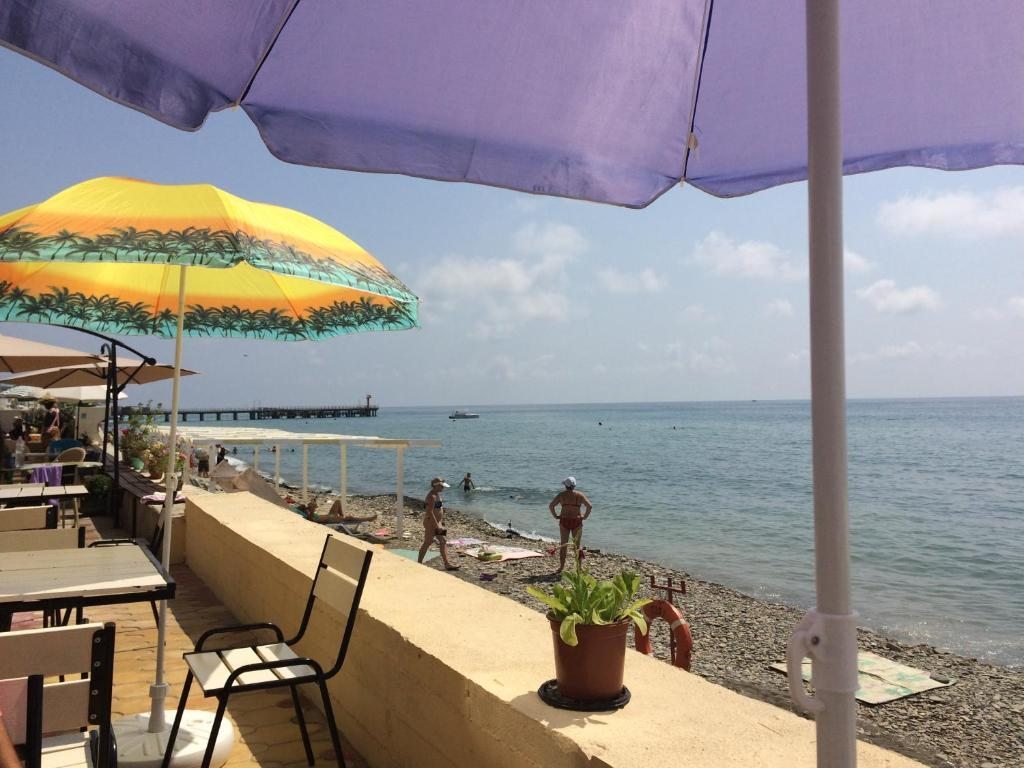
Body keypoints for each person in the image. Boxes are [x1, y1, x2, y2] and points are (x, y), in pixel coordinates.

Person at [549, 476, 592, 574]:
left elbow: (551, 506)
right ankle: (579, 568)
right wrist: (584, 517)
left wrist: (555, 516)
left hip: (564, 520)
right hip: (576, 521)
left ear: (565, 485)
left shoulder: (561, 495)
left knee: (563, 545)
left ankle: (561, 567)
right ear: (574, 485)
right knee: (577, 546)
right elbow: (589, 506)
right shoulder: (579, 495)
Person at [418, 477, 459, 570]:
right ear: (436, 486)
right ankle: (419, 563)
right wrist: (437, 526)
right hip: (431, 523)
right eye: (441, 486)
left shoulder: (437, 495)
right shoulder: (431, 496)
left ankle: (447, 564)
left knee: (443, 541)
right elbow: (429, 512)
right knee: (427, 542)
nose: (443, 488)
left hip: (437, 522)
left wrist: (441, 522)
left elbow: (438, 509)